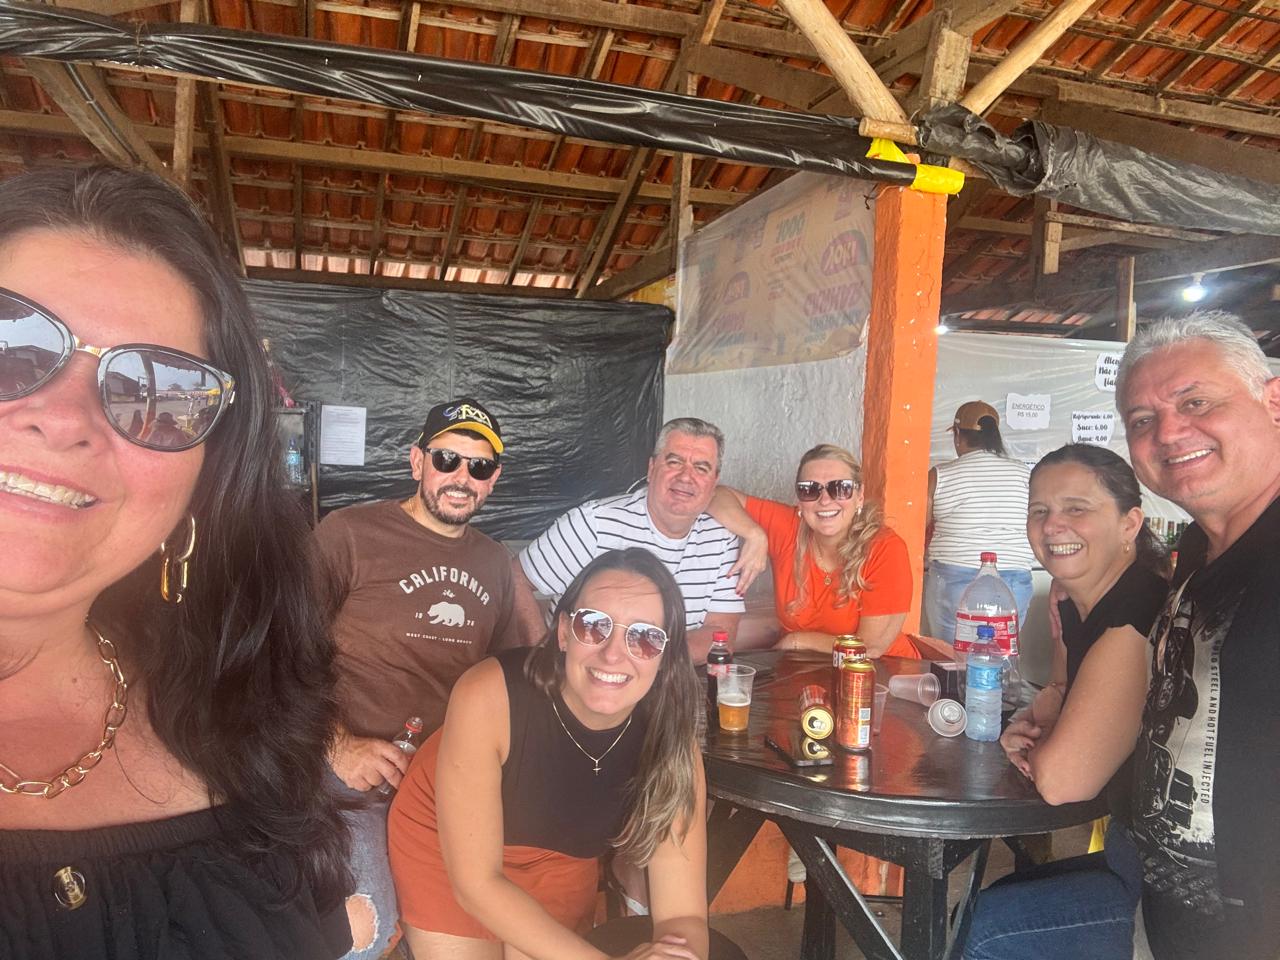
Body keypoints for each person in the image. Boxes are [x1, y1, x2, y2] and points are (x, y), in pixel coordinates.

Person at [0, 165, 350, 957]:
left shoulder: (241, 711)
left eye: (157, 392)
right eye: (10, 343)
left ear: (205, 479)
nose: (64, 418)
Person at [388, 548, 709, 960]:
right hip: (446, 844)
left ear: (665, 656)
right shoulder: (488, 694)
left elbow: (684, 916)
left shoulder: (670, 740)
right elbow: (476, 884)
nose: (613, 654)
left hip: (558, 858)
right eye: (594, 626)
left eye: (645, 637)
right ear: (563, 633)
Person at [317, 397, 518, 959]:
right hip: (351, 773)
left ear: (493, 478)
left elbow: (505, 675)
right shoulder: (349, 534)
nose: (461, 477)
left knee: (480, 917)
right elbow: (283, 651)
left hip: (447, 776)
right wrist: (337, 744)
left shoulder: (495, 562)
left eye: (479, 466)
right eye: (447, 459)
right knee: (367, 925)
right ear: (416, 462)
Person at [1115, 311, 1280, 960]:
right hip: (1169, 920)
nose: (1168, 432)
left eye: (1196, 402)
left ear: (1274, 401)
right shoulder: (1195, 551)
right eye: (1142, 420)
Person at [963, 444, 1169, 960]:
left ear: (1129, 523)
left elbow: (1061, 782)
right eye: (1040, 509)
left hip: (1162, 893)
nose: (1053, 525)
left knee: (986, 931)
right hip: (1133, 853)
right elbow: (1056, 695)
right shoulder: (1079, 600)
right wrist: (1034, 726)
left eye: (1077, 508)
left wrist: (1041, 741)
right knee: (978, 914)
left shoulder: (1134, 617)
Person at [515, 417, 743, 663]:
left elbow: (721, 634)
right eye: (674, 462)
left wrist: (642, 663)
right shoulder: (594, 523)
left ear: (714, 482)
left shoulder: (722, 537)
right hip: (580, 675)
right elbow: (515, 578)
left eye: (701, 468)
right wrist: (542, 659)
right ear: (651, 469)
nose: (686, 476)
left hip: (669, 676)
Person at [707, 443, 918, 658]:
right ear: (800, 500)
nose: (825, 500)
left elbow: (870, 648)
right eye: (810, 489)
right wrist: (755, 534)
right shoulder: (789, 528)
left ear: (859, 496)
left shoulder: (885, 548)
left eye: (840, 488)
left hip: (882, 671)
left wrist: (797, 641)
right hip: (806, 670)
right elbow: (715, 495)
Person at [923, 400, 1034, 644]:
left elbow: (920, 526)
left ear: (957, 435)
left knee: (951, 657)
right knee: (1000, 656)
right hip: (1014, 579)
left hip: (954, 577)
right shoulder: (1025, 473)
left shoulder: (940, 475)